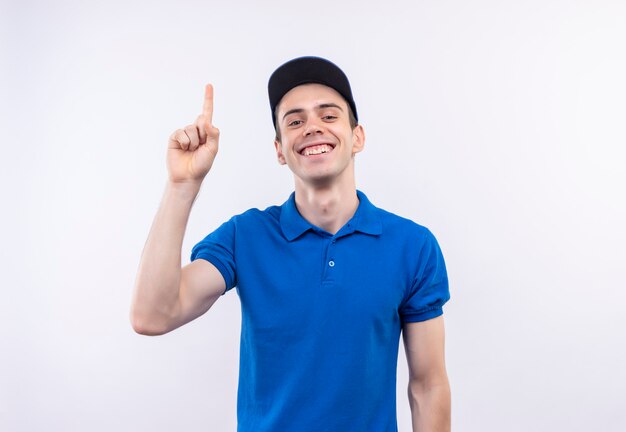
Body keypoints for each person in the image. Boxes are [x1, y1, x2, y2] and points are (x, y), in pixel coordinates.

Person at [131, 56, 451, 432]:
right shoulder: (244, 236)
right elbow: (153, 315)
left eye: (328, 116)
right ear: (280, 150)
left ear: (357, 137)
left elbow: (428, 387)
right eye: (295, 121)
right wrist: (181, 186)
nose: (312, 128)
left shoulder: (412, 246)